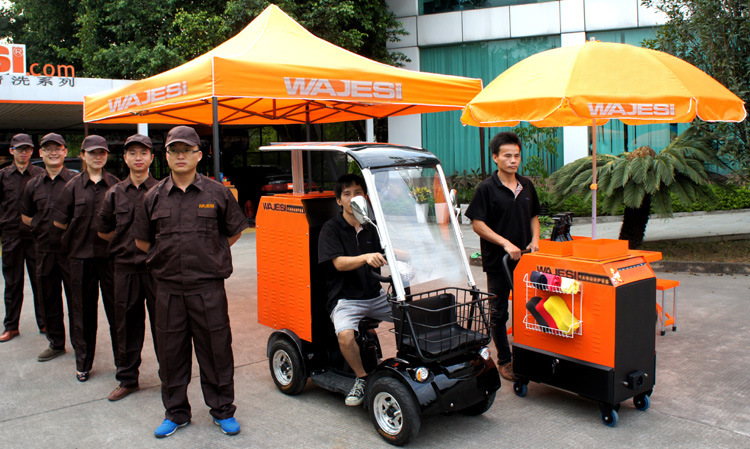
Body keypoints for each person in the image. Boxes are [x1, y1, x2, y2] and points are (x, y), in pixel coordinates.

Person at [133, 125, 248, 438]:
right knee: (171, 356)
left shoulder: (217, 193)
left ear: (199, 155)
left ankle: (223, 410)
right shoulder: (152, 197)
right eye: (174, 150)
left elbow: (234, 230)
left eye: (186, 150)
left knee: (216, 351)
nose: (180, 155)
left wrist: (211, 253)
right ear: (166, 156)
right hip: (168, 290)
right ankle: (176, 413)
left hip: (208, 289)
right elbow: (143, 241)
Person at [464, 131, 540, 382]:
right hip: (499, 263)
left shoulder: (526, 185)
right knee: (499, 312)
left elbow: (534, 216)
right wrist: (505, 243)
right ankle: (505, 361)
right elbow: (477, 224)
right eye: (507, 156)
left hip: (527, 260)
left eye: (516, 155)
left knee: (530, 307)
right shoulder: (487, 188)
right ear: (495, 157)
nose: (513, 160)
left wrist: (536, 240)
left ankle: (528, 354)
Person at [318, 173, 392, 407]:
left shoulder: (372, 226)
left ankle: (410, 368)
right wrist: (365, 257)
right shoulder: (331, 229)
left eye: (358, 193)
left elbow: (387, 251)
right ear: (339, 201)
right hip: (345, 299)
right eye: (347, 194)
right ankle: (362, 378)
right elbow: (338, 263)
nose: (353, 198)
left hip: (375, 295)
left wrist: (412, 253)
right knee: (345, 336)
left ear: (365, 196)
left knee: (410, 316)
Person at [95, 134, 158, 401]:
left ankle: (171, 378)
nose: (138, 158)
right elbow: (103, 231)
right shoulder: (114, 193)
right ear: (125, 159)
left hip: (156, 270)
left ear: (152, 157)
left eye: (143, 153)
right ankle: (128, 378)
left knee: (165, 326)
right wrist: (126, 244)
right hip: (124, 270)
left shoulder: (162, 190)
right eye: (132, 153)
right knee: (126, 326)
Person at [52, 134, 120, 382]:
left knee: (117, 313)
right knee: (82, 314)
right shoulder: (71, 187)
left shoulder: (115, 185)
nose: (97, 157)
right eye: (92, 153)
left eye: (101, 152)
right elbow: (59, 223)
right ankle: (83, 364)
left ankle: (122, 364)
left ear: (107, 155)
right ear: (82, 155)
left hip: (110, 260)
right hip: (79, 260)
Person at [18, 133, 75, 362]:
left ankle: (81, 345)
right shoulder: (32, 185)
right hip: (44, 250)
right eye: (48, 148)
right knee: (49, 299)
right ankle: (56, 343)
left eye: (57, 148)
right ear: (40, 153)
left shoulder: (75, 181)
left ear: (65, 152)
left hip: (71, 252)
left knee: (77, 301)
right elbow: (24, 215)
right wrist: (41, 228)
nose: (53, 152)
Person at [0, 134, 45, 342]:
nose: (23, 152)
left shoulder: (40, 174)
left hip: (35, 237)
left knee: (40, 282)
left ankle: (44, 323)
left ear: (32, 151)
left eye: (27, 149)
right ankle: (11, 326)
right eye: (19, 149)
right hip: (11, 236)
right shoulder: (3, 176)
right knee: (12, 283)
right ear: (12, 151)